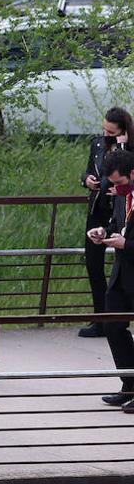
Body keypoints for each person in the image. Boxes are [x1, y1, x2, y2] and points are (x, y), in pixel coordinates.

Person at [80, 108, 133, 338]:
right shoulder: (98, 144)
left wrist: (122, 146)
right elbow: (90, 170)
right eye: (104, 129)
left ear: (123, 131)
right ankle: (100, 316)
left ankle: (118, 315)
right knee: (93, 263)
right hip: (99, 208)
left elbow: (125, 169)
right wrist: (87, 180)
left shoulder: (128, 147)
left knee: (123, 263)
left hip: (123, 209)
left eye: (111, 131)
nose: (106, 134)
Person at [92, 149, 134, 411]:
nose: (115, 189)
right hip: (121, 274)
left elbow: (127, 237)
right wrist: (104, 232)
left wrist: (126, 244)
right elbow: (119, 224)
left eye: (119, 183)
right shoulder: (122, 196)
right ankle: (129, 383)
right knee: (113, 327)